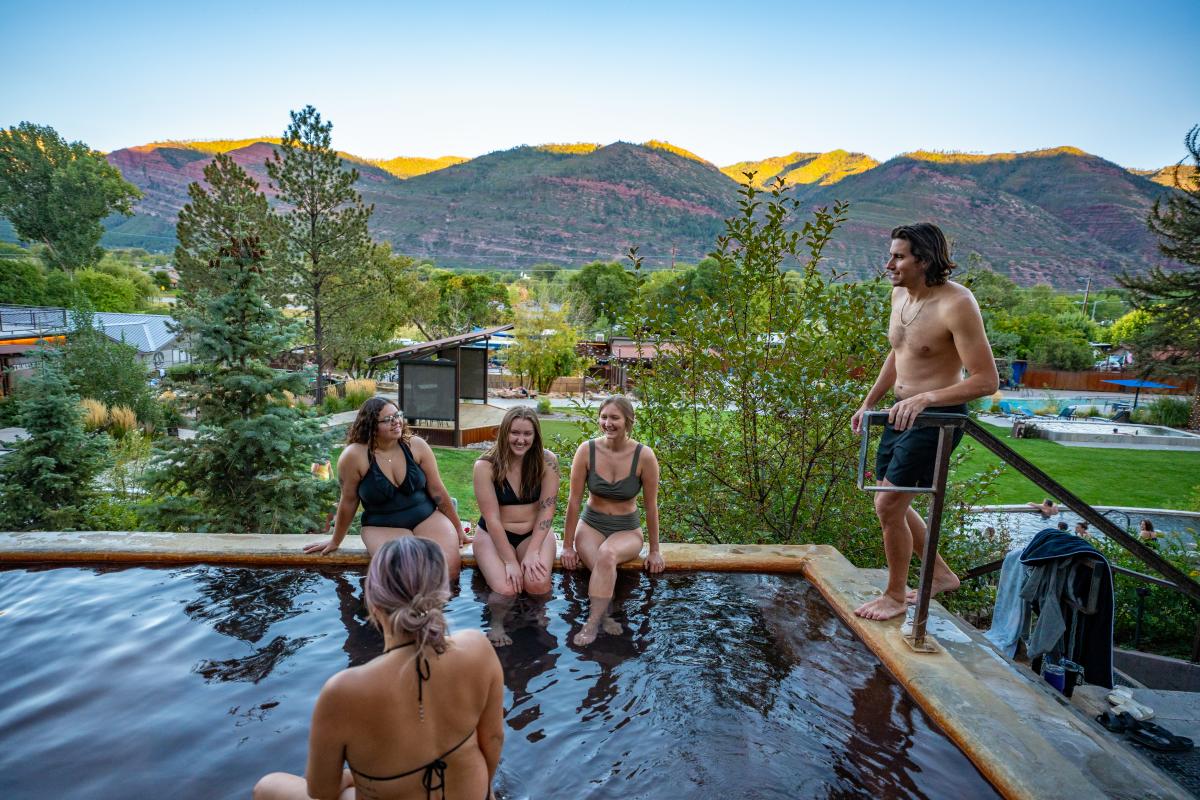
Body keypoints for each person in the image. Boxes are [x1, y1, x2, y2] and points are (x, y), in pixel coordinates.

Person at [254, 537, 504, 800]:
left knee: (268, 787)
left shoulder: (343, 691)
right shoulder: (478, 648)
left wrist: (354, 777)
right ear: (444, 594)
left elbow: (321, 791)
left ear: (372, 601)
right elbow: (494, 739)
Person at [851, 223, 999, 621]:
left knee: (887, 505)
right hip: (898, 415)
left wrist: (927, 397)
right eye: (891, 255)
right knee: (890, 502)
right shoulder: (899, 294)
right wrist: (870, 402)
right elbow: (899, 351)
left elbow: (986, 380)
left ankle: (895, 597)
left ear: (925, 260)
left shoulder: (957, 304)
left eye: (898, 257)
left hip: (936, 419)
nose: (889, 264)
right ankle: (941, 574)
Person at [305, 398, 468, 577]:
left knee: (449, 569)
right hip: (382, 526)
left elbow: (438, 491)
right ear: (370, 425)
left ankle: (440, 605)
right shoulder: (354, 456)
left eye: (397, 415)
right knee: (406, 575)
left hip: (426, 518)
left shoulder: (416, 446)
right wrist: (336, 541)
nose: (396, 421)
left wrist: (459, 529)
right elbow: (349, 501)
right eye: (387, 419)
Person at [561, 396, 665, 645]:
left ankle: (591, 622)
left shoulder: (644, 456)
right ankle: (607, 615)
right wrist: (566, 546)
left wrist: (655, 551)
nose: (608, 423)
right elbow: (574, 501)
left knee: (607, 555)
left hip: (626, 529)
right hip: (591, 526)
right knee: (602, 563)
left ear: (628, 421)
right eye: (604, 416)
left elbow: (651, 507)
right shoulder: (587, 450)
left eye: (615, 417)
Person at [472, 406, 560, 646]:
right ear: (504, 433)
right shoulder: (486, 466)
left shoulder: (547, 461)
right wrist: (510, 561)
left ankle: (539, 615)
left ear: (535, 436)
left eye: (527, 434)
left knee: (538, 583)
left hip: (534, 534)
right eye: (515, 433)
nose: (521, 440)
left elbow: (547, 508)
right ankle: (497, 624)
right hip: (494, 534)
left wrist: (532, 551)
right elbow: (492, 518)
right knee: (505, 589)